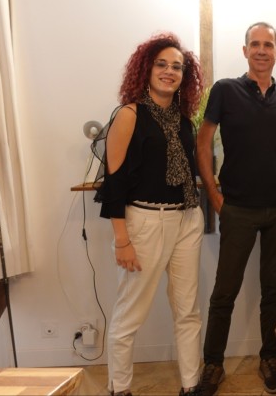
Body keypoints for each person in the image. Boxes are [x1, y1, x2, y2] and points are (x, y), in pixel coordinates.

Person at [95, 33, 205, 396]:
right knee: (130, 313)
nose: (169, 72)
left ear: (184, 76)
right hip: (145, 221)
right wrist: (122, 240)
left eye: (177, 67)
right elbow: (114, 182)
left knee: (187, 310)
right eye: (161, 64)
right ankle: (120, 389)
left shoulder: (183, 120)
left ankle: (191, 385)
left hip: (187, 219)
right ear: (146, 69)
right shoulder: (129, 115)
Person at [196, 22, 276, 396]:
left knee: (274, 290)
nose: (261, 50)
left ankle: (269, 358)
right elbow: (203, 142)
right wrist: (214, 194)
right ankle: (213, 364)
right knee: (224, 291)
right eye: (254, 44)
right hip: (237, 208)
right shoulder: (225, 90)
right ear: (245, 51)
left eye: (268, 45)